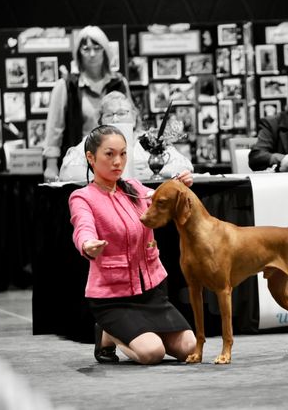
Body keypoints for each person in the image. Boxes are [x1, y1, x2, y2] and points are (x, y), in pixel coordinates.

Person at [68, 125, 196, 364]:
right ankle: (108, 334)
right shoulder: (82, 197)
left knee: (190, 348)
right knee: (152, 353)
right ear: (91, 158)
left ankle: (136, 333)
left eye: (123, 153)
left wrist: (179, 185)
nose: (118, 161)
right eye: (109, 154)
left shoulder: (135, 188)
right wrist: (87, 244)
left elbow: (162, 199)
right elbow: (82, 226)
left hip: (151, 291)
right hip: (112, 297)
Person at [43, 26, 130, 182]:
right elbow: (54, 129)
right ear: (78, 53)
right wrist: (51, 165)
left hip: (116, 163)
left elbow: (131, 120)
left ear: (105, 50)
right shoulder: (66, 85)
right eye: (86, 49)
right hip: (80, 165)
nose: (92, 54)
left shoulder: (119, 83)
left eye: (97, 48)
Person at [59, 91, 193, 182]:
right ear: (101, 121)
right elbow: (67, 172)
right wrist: (108, 173)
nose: (115, 119)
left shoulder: (150, 140)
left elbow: (184, 166)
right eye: (109, 115)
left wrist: (152, 172)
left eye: (121, 113)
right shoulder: (93, 141)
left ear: (134, 117)